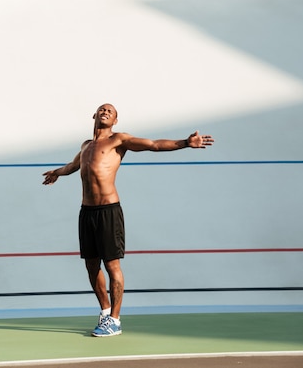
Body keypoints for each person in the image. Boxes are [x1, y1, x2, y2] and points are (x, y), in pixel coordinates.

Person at [42, 103, 214, 337]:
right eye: (102, 109)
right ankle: (105, 311)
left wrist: (185, 143)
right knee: (91, 265)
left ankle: (115, 320)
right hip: (87, 212)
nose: (105, 112)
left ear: (115, 121)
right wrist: (56, 173)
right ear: (94, 115)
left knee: (112, 265)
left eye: (110, 112)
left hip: (109, 211)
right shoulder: (85, 146)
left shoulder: (119, 140)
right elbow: (73, 166)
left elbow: (153, 145)